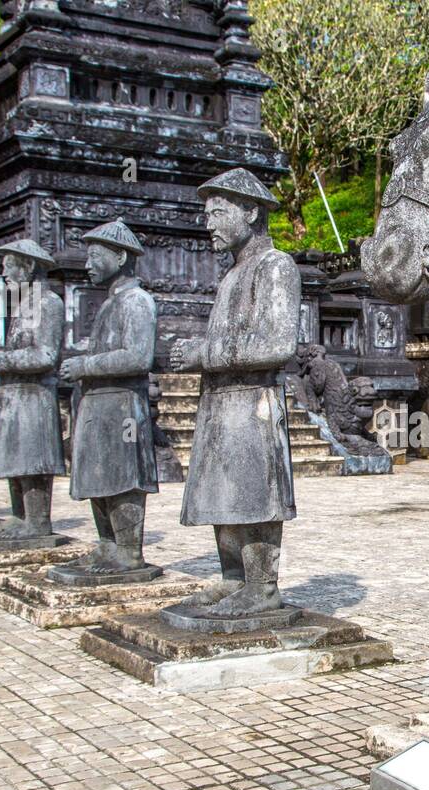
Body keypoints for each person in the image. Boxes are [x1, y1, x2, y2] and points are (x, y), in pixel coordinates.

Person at [169, 168, 299, 617]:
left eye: (219, 211)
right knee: (224, 492)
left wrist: (203, 353)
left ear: (250, 211)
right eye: (206, 212)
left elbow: (278, 344)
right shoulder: (232, 276)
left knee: (253, 492)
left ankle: (262, 585)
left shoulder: (275, 266)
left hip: (253, 402)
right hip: (222, 402)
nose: (209, 221)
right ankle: (233, 579)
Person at [49, 220, 158, 581]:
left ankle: (128, 551)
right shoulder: (111, 303)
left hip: (124, 405)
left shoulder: (137, 301)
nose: (87, 264)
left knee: (123, 476)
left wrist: (85, 365)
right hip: (98, 404)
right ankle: (108, 544)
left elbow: (138, 357)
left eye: (96, 255)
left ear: (121, 256)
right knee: (98, 473)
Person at [0, 239, 67, 543]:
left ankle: (37, 521)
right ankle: (20, 516)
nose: (5, 275)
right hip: (15, 394)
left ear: (29, 267)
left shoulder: (48, 303)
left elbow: (45, 356)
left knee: (32, 460)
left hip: (34, 396)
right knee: (15, 458)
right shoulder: (24, 307)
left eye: (10, 268)